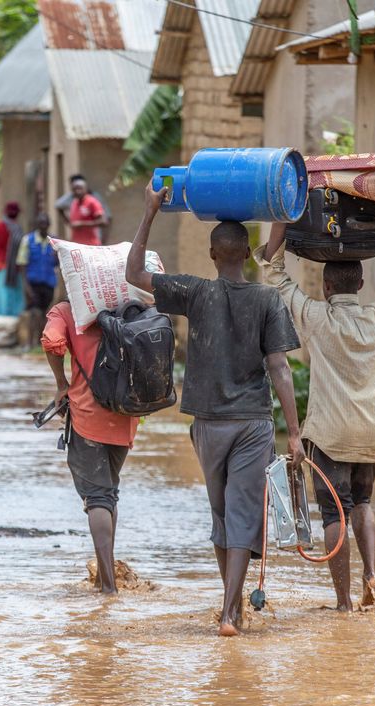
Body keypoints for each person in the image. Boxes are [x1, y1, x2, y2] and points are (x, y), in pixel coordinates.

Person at [126, 183, 304, 637]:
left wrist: (150, 211)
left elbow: (133, 273)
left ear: (211, 254)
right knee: (242, 513)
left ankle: (231, 607)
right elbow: (280, 368)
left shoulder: (194, 291)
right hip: (253, 423)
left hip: (207, 424)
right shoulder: (267, 300)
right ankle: (230, 612)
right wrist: (296, 434)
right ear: (247, 253)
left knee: (223, 515)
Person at [258, 223, 375, 611]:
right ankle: (371, 579)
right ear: (360, 285)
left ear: (327, 288)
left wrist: (279, 234)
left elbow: (275, 275)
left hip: (327, 434)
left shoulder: (315, 318)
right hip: (369, 435)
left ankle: (344, 602)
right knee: (362, 503)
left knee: (334, 513)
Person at [42, 298, 140, 595]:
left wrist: (61, 383)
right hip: (126, 413)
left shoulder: (67, 311)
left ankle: (108, 588)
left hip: (87, 416)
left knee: (98, 497)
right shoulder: (130, 306)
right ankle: (102, 576)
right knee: (109, 492)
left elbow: (52, 341)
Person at [19, 213, 60, 347]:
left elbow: (59, 263)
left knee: (44, 313)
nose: (43, 226)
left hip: (48, 283)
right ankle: (30, 343)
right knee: (34, 313)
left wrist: (57, 257)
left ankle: (40, 342)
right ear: (37, 225)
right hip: (33, 283)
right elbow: (22, 264)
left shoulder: (54, 241)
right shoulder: (28, 240)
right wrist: (26, 287)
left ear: (49, 225)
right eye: (40, 223)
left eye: (45, 223)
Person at [0, 202, 25, 318]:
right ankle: (12, 316)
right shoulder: (18, 228)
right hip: (13, 266)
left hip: (1, 265)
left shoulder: (1, 225)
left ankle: (2, 316)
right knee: (12, 292)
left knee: (2, 293)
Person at [55, 174, 112, 244]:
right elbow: (58, 206)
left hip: (91, 244)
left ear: (85, 188)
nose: (77, 191)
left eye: (80, 188)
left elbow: (104, 221)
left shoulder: (92, 201)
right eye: (74, 189)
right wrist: (69, 223)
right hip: (77, 244)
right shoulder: (74, 202)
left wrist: (82, 224)